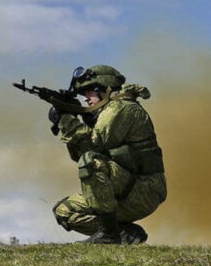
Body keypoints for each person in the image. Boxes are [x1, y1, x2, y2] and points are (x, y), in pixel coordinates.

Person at [50, 65, 167, 244]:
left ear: (104, 89)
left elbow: (94, 145)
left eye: (89, 92)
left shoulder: (123, 107)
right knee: (64, 211)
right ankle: (124, 233)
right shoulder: (103, 114)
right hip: (121, 189)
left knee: (92, 163)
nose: (86, 98)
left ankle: (109, 236)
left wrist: (67, 117)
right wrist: (67, 118)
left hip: (144, 191)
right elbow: (80, 154)